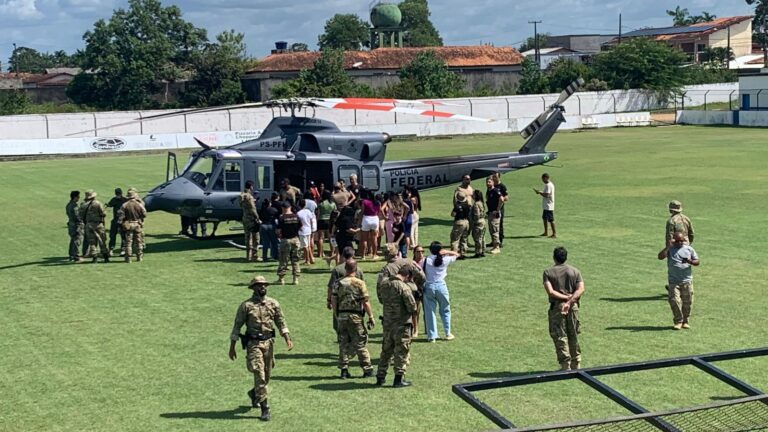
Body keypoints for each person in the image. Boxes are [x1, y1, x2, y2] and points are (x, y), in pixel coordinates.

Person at [228, 276, 293, 421]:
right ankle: (265, 408)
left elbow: (281, 321)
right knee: (259, 373)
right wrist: (232, 347)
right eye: (259, 285)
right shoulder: (246, 306)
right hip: (254, 344)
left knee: (267, 375)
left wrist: (287, 337)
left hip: (269, 344)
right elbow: (237, 326)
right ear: (253, 288)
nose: (262, 287)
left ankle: (254, 393)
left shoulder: (273, 303)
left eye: (264, 285)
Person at [543, 246, 585, 371]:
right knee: (573, 334)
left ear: (554, 257)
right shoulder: (575, 271)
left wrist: (564, 299)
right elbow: (581, 289)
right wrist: (570, 300)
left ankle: (565, 365)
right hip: (573, 307)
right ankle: (576, 363)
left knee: (560, 335)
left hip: (558, 307)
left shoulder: (548, 273)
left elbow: (550, 291)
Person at [332, 260, 376, 379]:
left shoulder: (338, 283)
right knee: (360, 342)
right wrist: (371, 316)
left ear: (345, 269)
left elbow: (334, 299)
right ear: (355, 270)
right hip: (355, 316)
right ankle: (367, 368)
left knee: (343, 343)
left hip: (342, 316)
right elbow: (365, 302)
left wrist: (337, 313)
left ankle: (344, 370)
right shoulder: (359, 283)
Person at [376, 265, 418, 387]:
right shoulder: (403, 287)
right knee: (401, 351)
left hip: (388, 323)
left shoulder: (384, 284)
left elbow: (381, 300)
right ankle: (398, 379)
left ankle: (380, 376)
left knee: (386, 351)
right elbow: (412, 307)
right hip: (401, 324)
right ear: (408, 276)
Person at [658, 232, 700, 330]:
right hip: (673, 281)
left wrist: (691, 261)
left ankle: (685, 321)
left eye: (682, 241)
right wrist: (668, 246)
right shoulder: (670, 249)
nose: (680, 243)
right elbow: (660, 257)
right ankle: (678, 321)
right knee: (674, 301)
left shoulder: (689, 249)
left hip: (686, 281)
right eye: (677, 241)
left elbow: (697, 261)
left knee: (688, 302)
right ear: (673, 240)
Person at [422, 242, 459, 342]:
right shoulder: (445, 259)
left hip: (429, 286)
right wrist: (447, 251)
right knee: (445, 309)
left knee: (430, 312)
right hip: (441, 286)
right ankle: (448, 333)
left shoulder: (426, 260)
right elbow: (457, 254)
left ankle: (432, 336)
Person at [327, 247, 364, 335]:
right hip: (356, 305)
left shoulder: (337, 269)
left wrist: (329, 300)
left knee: (340, 330)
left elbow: (331, 287)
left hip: (340, 305)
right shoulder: (358, 270)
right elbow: (363, 288)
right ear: (353, 255)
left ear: (342, 255)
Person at [79, 190, 110, 263]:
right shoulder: (98, 203)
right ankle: (105, 257)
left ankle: (94, 257)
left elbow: (80, 215)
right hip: (98, 224)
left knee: (92, 242)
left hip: (88, 224)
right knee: (102, 241)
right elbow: (103, 213)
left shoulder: (83, 204)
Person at [118, 189, 147, 263]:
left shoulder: (124, 205)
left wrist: (120, 224)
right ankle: (139, 257)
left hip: (128, 225)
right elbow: (144, 214)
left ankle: (128, 258)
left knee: (128, 242)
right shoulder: (139, 204)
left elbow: (121, 216)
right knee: (138, 241)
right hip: (137, 224)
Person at [276, 201, 301, 285]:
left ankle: (281, 279)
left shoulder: (282, 218)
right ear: (290, 207)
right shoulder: (296, 217)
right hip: (295, 239)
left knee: (283, 260)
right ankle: (295, 279)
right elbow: (300, 227)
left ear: (283, 208)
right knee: (295, 259)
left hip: (285, 240)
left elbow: (278, 230)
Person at [240, 181, 261, 262]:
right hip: (252, 219)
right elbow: (253, 208)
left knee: (247, 237)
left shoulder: (242, 195)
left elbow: (242, 205)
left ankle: (248, 256)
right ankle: (254, 256)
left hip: (245, 218)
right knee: (256, 237)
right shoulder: (249, 196)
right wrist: (257, 218)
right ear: (251, 187)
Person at [359, 191, 381, 260]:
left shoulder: (365, 202)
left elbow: (362, 212)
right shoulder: (378, 203)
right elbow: (379, 212)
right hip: (375, 219)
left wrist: (359, 221)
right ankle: (374, 255)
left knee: (364, 239)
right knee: (374, 239)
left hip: (366, 219)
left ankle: (363, 256)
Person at [534, 173, 556, 238]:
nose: (542, 180)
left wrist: (539, 192)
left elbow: (547, 195)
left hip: (548, 206)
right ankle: (546, 232)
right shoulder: (550, 184)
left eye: (543, 179)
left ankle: (554, 233)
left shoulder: (548, 185)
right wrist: (540, 192)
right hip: (546, 205)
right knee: (544, 218)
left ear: (546, 178)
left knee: (551, 220)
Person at [107, 188, 128, 254]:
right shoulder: (125, 200)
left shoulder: (114, 199)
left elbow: (109, 205)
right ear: (121, 193)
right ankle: (123, 250)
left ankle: (111, 249)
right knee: (123, 236)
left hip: (115, 220)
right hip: (123, 220)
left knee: (112, 235)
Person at [316, 191, 336, 259]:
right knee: (331, 237)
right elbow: (335, 213)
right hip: (329, 221)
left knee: (321, 238)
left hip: (321, 220)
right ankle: (332, 252)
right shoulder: (332, 204)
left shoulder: (320, 204)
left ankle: (321, 253)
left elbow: (318, 214)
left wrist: (317, 221)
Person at [450, 194, 471, 259]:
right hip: (466, 222)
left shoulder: (457, 205)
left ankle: (454, 254)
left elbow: (453, 214)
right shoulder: (467, 205)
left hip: (459, 222)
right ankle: (463, 253)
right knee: (464, 238)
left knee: (455, 239)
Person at [485, 177, 502, 254]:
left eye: (489, 182)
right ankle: (493, 244)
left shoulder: (495, 191)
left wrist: (497, 210)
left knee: (495, 230)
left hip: (495, 214)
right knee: (491, 230)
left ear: (493, 182)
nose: (488, 183)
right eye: (487, 182)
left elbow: (501, 199)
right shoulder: (488, 191)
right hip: (490, 213)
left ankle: (497, 247)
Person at [296, 199, 316, 265]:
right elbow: (311, 220)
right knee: (308, 245)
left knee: (305, 246)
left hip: (302, 231)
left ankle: (307, 260)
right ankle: (311, 258)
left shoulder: (298, 213)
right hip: (309, 229)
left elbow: (298, 223)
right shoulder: (308, 211)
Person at [66, 190, 83, 262]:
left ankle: (71, 255)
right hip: (76, 225)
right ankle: (76, 256)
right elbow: (77, 216)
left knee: (73, 240)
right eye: (78, 196)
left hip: (71, 224)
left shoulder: (68, 205)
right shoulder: (74, 206)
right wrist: (81, 221)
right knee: (77, 240)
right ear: (75, 197)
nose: (79, 198)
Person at [492, 173, 509, 246]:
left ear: (499, 177)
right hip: (492, 208)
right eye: (493, 177)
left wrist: (500, 199)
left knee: (499, 225)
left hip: (499, 208)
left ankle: (500, 241)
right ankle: (494, 241)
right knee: (493, 225)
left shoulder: (502, 186)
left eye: (495, 177)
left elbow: (507, 197)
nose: (494, 178)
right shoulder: (492, 185)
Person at [469, 190, 487, 258]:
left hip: (478, 223)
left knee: (477, 238)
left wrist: (474, 222)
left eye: (473, 194)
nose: (472, 195)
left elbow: (476, 214)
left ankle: (478, 252)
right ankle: (483, 251)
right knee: (482, 237)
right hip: (483, 221)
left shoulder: (476, 204)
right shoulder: (481, 203)